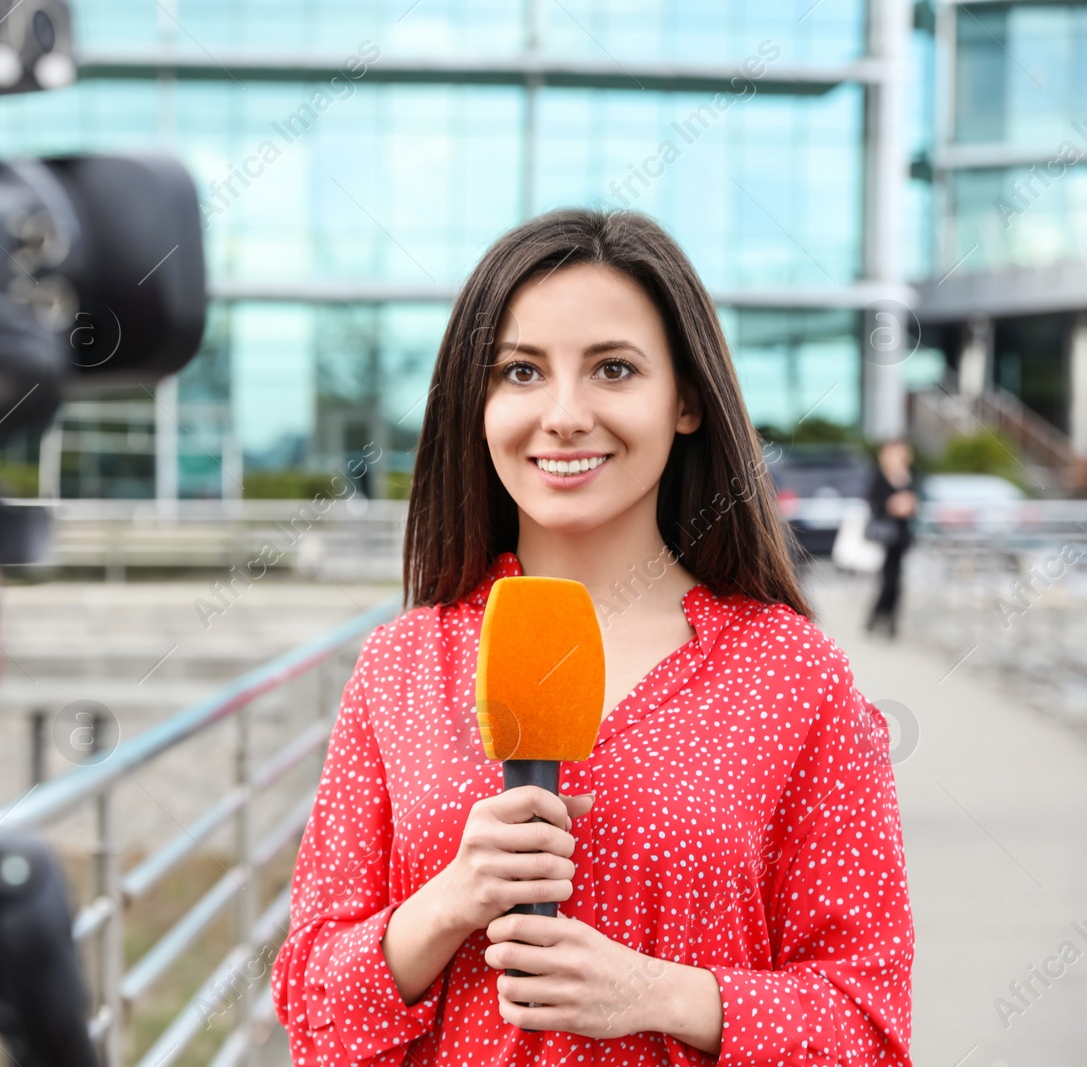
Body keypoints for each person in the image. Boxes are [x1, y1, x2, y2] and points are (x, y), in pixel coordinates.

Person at [270, 210, 913, 1065]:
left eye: (613, 368)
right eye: (521, 371)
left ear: (684, 398)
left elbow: (870, 1025)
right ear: (479, 400)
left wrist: (658, 994)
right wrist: (446, 904)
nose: (565, 414)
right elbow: (310, 1010)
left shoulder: (796, 674)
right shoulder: (402, 665)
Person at [864, 439, 920, 640]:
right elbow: (874, 503)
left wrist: (909, 505)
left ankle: (889, 621)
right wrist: (893, 505)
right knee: (888, 580)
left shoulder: (908, 477)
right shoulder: (880, 477)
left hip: (902, 536)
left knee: (897, 581)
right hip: (885, 536)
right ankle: (878, 617)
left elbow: (916, 502)